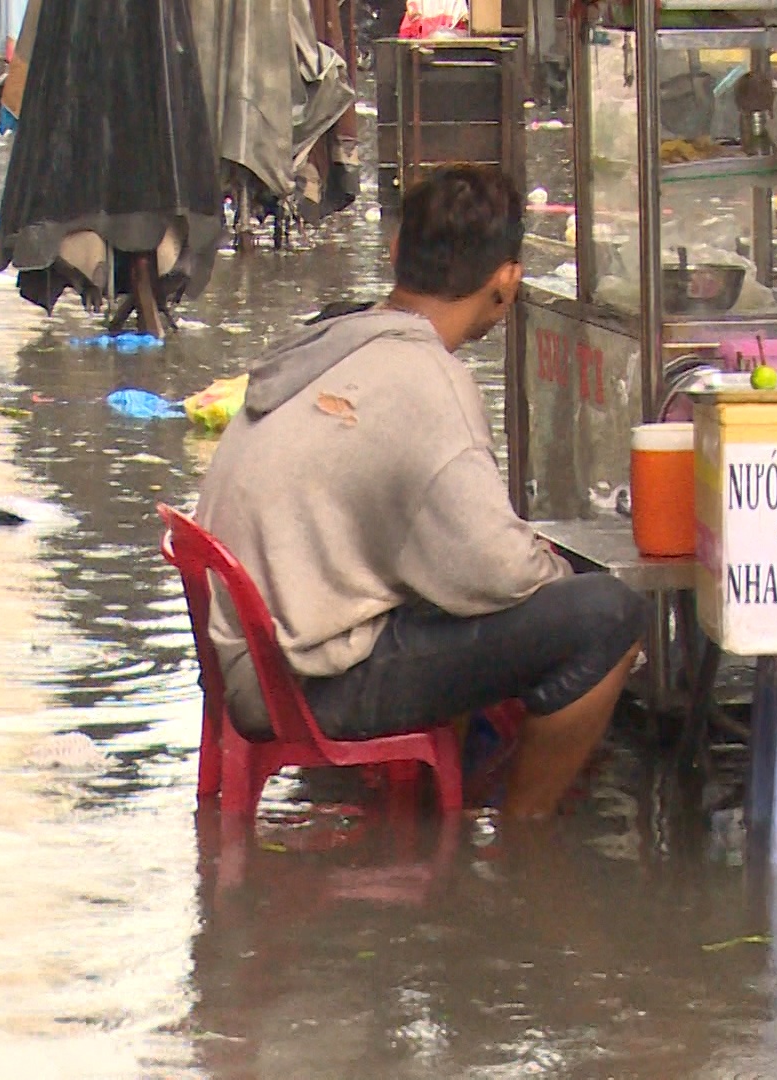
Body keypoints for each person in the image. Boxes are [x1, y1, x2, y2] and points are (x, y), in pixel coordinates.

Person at [195, 164, 648, 821]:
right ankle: (523, 841)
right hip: (299, 683)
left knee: (473, 589)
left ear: (395, 253)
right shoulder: (429, 381)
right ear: (507, 282)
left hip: (244, 657)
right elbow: (497, 571)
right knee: (609, 615)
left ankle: (454, 802)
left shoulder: (331, 338)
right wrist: (558, 575)